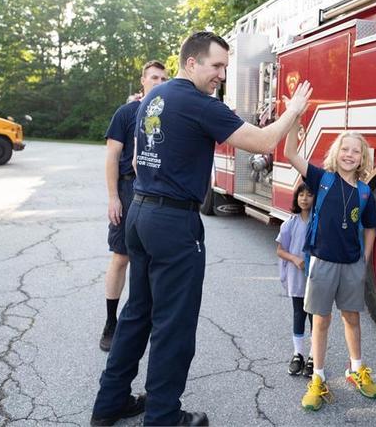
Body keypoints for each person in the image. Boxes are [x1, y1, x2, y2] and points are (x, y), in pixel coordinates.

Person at [90, 31, 312, 427]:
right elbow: (263, 140)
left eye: (226, 67)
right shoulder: (197, 102)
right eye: (216, 66)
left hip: (142, 212)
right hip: (173, 223)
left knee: (138, 312)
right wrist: (293, 109)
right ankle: (162, 416)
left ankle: (109, 403)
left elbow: (140, 161)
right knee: (174, 323)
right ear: (191, 63)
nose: (222, 75)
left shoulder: (152, 100)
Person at [283, 128, 376, 412]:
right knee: (321, 321)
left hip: (351, 264)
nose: (349, 155)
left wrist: (365, 256)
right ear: (335, 153)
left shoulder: (365, 192)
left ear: (363, 158)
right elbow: (290, 153)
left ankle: (356, 369)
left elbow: (371, 226)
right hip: (323, 262)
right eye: (345, 149)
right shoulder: (321, 179)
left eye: (356, 151)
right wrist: (296, 119)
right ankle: (318, 378)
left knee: (351, 318)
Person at [99, 61, 167, 352]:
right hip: (128, 190)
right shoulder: (126, 113)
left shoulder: (168, 114)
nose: (159, 81)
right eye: (154, 77)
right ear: (143, 80)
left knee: (153, 262)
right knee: (121, 257)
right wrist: (114, 197)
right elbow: (112, 157)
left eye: (164, 78)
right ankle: (111, 322)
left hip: (158, 193)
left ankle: (145, 322)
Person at [276, 183, 315, 377]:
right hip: (296, 276)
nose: (305, 198)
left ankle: (314, 355)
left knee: (315, 316)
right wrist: (295, 258)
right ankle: (298, 353)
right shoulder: (289, 223)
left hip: (315, 277)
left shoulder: (318, 222)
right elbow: (280, 250)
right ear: (296, 198)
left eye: (309, 195)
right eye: (301, 195)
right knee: (299, 313)